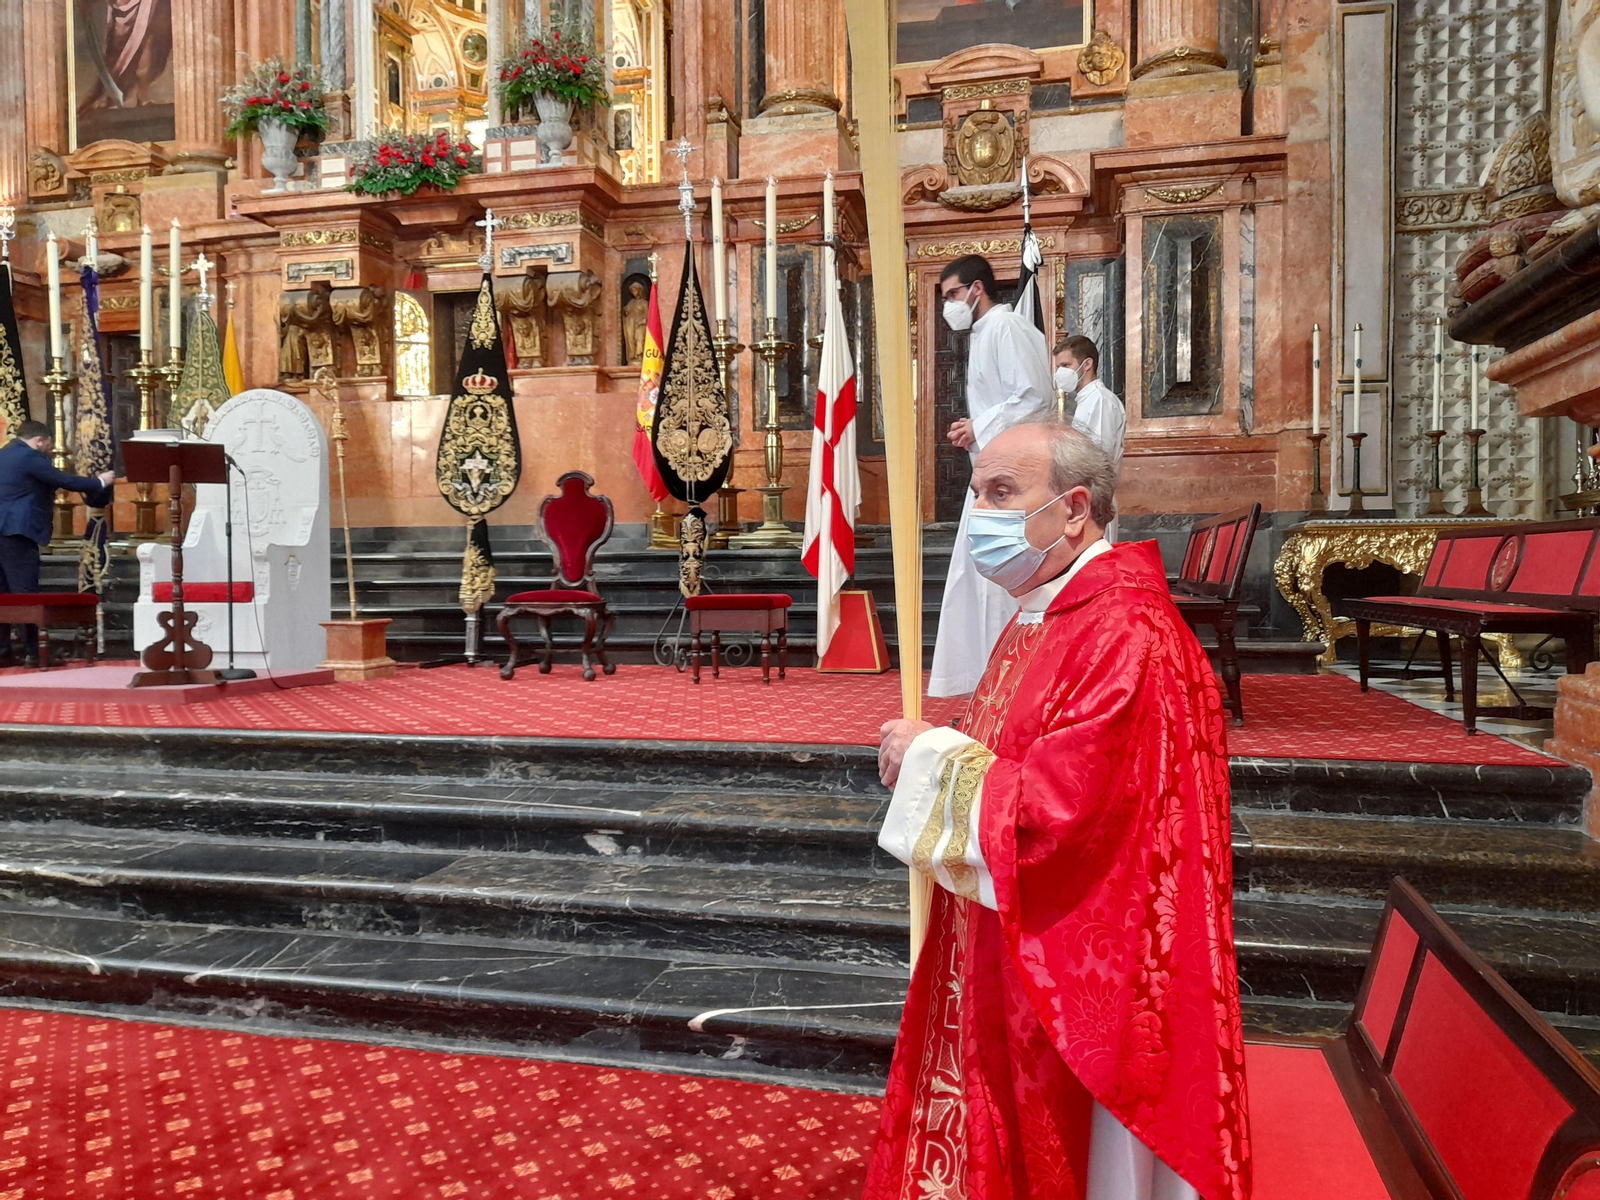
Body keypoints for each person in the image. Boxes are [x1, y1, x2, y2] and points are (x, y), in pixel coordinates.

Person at [867, 420, 1250, 1200]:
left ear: (1074, 508)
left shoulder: (1127, 630)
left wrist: (929, 760)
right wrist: (947, 742)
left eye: (1002, 493)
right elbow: (1021, 746)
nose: (980, 515)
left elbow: (1064, 813)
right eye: (976, 495)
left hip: (1092, 952)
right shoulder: (1053, 606)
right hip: (1016, 937)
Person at [928, 255, 1055, 698]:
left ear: (976, 289)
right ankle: (990, 687)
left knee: (999, 579)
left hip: (1016, 480)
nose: (948, 306)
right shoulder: (985, 334)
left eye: (951, 295)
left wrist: (980, 426)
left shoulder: (1007, 326)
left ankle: (1012, 688)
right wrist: (976, 426)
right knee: (977, 578)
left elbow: (1036, 396)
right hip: (993, 477)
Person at [0, 421, 115, 665]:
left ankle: (3, 651)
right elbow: (65, 480)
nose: (49, 450)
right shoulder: (31, 457)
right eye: (49, 445)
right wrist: (101, 482)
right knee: (25, 595)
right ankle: (35, 652)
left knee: (3, 595)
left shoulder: (4, 455)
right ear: (40, 440)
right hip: (16, 533)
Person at [1055, 334, 1125, 539]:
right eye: (1058, 367)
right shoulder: (1087, 401)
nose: (1060, 373)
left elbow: (1097, 460)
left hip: (1095, 503)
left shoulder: (1101, 401)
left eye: (1066, 365)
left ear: (1087, 364)